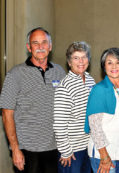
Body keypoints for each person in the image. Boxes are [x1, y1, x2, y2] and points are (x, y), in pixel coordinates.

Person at [0, 27, 66, 173]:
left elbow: (67, 108)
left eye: (44, 42)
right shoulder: (15, 74)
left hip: (54, 148)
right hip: (27, 150)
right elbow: (7, 114)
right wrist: (15, 149)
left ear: (50, 46)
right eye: (35, 43)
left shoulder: (59, 72)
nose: (40, 47)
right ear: (29, 47)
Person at [84, 47, 119, 173]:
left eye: (118, 62)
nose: (114, 66)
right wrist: (104, 155)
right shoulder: (99, 90)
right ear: (104, 66)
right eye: (109, 62)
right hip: (105, 154)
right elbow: (95, 126)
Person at [53, 41, 95, 173]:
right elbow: (59, 124)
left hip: (88, 147)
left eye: (84, 57)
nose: (81, 61)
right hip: (72, 151)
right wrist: (66, 151)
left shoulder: (90, 81)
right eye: (76, 58)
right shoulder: (64, 87)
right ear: (69, 62)